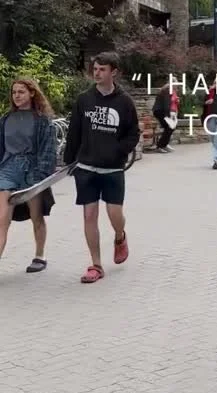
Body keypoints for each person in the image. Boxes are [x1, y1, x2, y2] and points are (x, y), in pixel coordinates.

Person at [64, 52, 140, 283]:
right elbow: (74, 132)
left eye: (102, 69)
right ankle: (96, 265)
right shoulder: (84, 99)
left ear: (113, 72)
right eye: (95, 69)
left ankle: (120, 236)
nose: (97, 73)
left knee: (115, 214)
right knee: (89, 215)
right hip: (86, 167)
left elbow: (133, 134)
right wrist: (69, 161)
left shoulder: (124, 102)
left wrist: (118, 150)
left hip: (112, 168)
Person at [0, 79, 57, 274]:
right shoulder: (5, 119)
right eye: (14, 92)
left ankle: (40, 255)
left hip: (32, 171)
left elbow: (49, 151)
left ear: (32, 93)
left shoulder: (42, 121)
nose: (16, 95)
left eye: (21, 92)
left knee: (36, 216)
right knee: (2, 220)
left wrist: (41, 176)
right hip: (7, 170)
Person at [152, 83, 180, 152]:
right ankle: (160, 146)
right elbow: (166, 104)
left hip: (161, 111)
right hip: (161, 112)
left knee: (170, 127)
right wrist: (168, 116)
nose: (177, 86)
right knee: (170, 127)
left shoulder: (168, 91)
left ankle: (164, 144)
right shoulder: (167, 91)